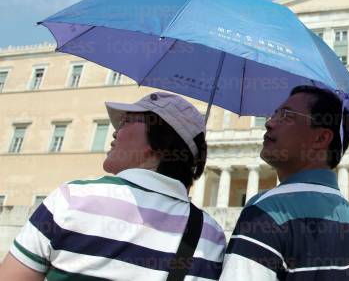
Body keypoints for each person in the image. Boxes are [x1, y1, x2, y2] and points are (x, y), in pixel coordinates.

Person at [0, 91, 226, 280]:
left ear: (159, 142)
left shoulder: (74, 199)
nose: (115, 131)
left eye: (126, 121)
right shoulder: (211, 236)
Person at [220, 85, 349, 280]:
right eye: (275, 114)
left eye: (286, 115)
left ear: (321, 138)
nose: (269, 123)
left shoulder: (267, 211)